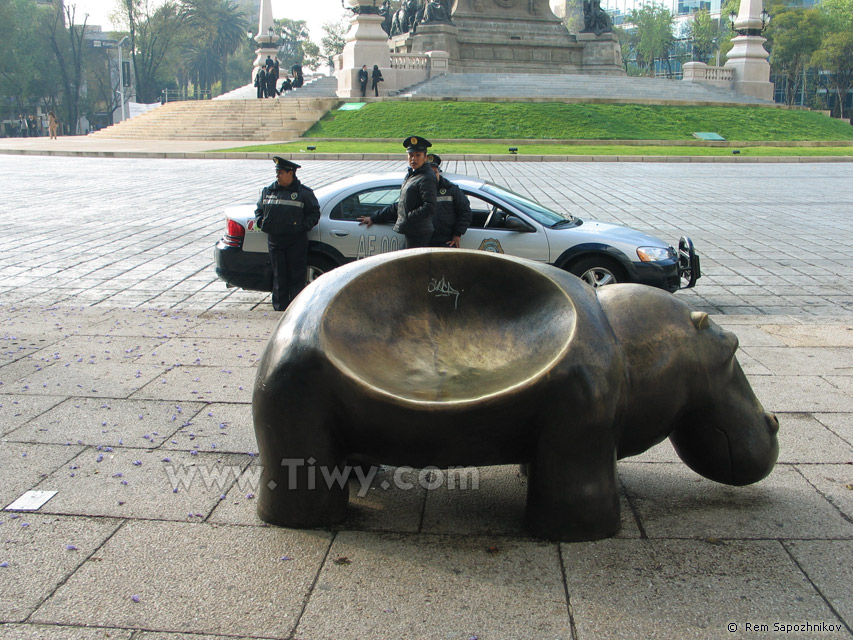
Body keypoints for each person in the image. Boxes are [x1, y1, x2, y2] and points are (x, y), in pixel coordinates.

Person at [254, 157, 321, 311]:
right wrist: (261, 223)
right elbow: (259, 210)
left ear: (290, 173)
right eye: (277, 172)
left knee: (296, 276)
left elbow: (314, 213)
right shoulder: (268, 191)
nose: (277, 175)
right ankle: (279, 308)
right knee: (279, 276)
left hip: (295, 241)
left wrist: (302, 227)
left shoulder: (303, 193)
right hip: (275, 240)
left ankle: (296, 309)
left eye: (281, 172)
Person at [358, 135, 436, 249]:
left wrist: (408, 217)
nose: (413, 158)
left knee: (409, 265)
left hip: (418, 232)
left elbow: (430, 206)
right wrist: (374, 218)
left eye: (418, 155)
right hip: (412, 231)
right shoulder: (413, 174)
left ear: (425, 157)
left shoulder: (426, 177)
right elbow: (401, 204)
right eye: (411, 155)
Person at [426, 153, 471, 248]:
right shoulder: (417, 190)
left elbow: (465, 212)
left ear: (439, 172)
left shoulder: (451, 189)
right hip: (424, 242)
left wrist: (457, 234)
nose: (433, 176)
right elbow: (401, 207)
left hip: (446, 242)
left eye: (435, 172)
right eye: (429, 173)